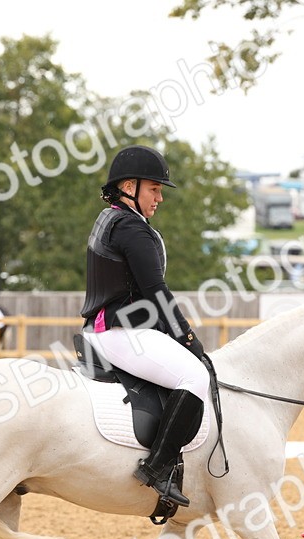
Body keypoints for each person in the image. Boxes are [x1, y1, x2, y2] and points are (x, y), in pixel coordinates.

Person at [79, 145, 207, 508]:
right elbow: (156, 292)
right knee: (195, 377)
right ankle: (158, 467)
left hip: (117, 328)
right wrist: (188, 338)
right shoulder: (130, 227)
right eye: (154, 189)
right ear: (129, 186)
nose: (160, 197)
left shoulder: (115, 219)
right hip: (123, 333)